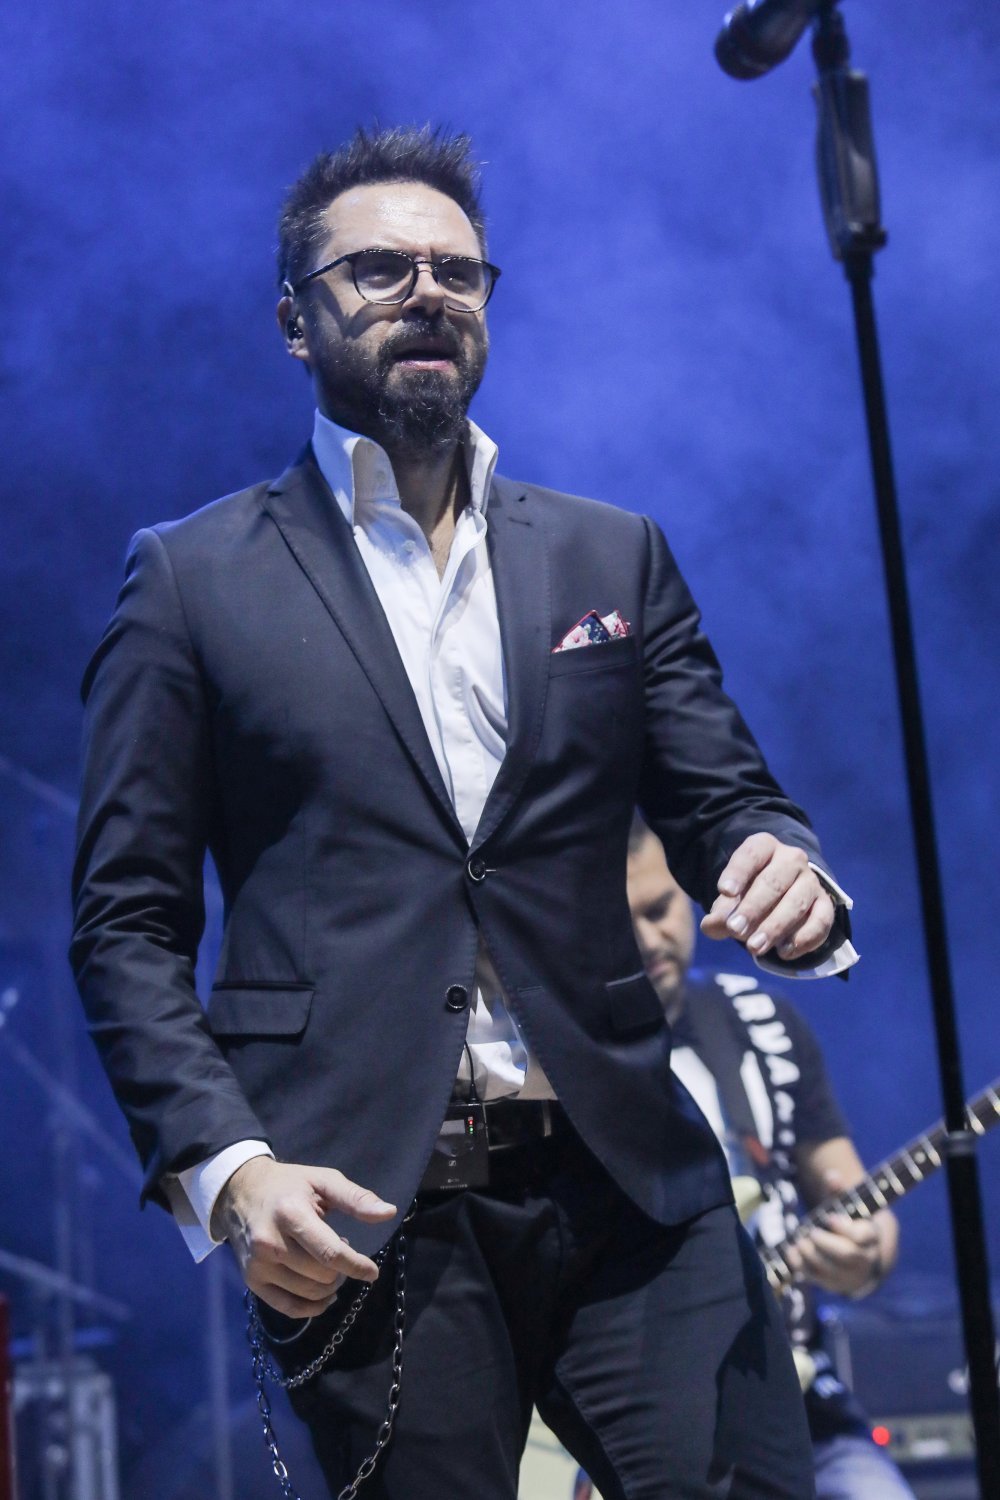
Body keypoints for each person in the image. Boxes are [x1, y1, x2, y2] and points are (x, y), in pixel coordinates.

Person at [71, 125, 861, 1500]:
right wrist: (230, 1169)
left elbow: (727, 799)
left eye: (457, 271)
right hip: (370, 1202)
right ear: (294, 321)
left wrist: (780, 861)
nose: (426, 293)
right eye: (379, 271)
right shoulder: (193, 580)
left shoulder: (610, 553)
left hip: (629, 1171)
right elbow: (125, 924)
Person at [603, 821, 914, 1500]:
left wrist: (866, 1254)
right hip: (642, 1409)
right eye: (624, 922)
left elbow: (854, 1194)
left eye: (660, 909)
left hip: (800, 1397)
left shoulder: (759, 1019)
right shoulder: (569, 1057)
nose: (651, 938)